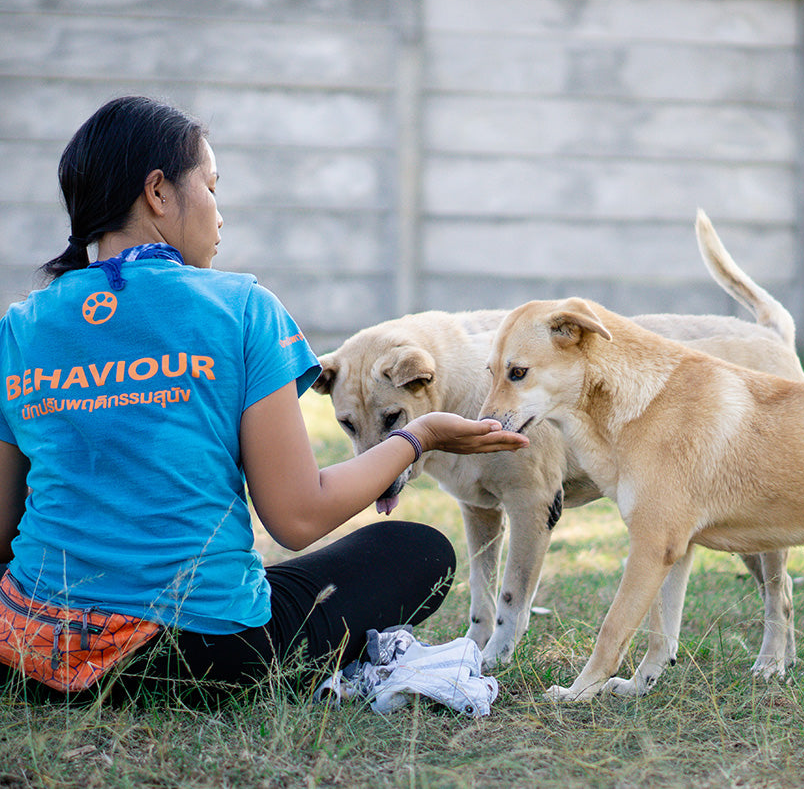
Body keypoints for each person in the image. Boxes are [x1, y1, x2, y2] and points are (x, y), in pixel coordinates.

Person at [0, 96, 528, 698]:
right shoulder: (242, 308)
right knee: (418, 550)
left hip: (32, 649)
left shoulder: (21, 328)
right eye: (212, 187)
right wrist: (419, 437)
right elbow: (298, 516)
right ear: (158, 193)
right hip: (207, 656)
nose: (220, 215)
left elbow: (3, 529)